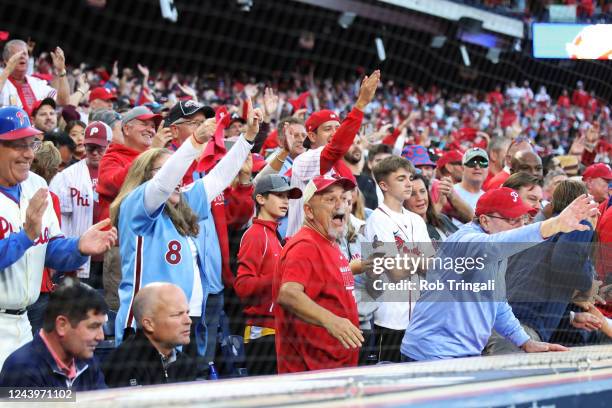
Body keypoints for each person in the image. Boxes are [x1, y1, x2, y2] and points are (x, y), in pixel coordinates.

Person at [110, 103, 259, 366]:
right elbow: (163, 183)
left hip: (188, 322)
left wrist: (247, 139)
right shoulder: (136, 207)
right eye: (169, 172)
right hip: (146, 328)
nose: (178, 179)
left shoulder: (181, 206)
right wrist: (193, 142)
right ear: (146, 177)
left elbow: (218, 179)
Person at [400, 187, 598, 361]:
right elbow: (499, 244)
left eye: (522, 218)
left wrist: (525, 342)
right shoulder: (467, 242)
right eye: (512, 219)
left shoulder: (493, 247)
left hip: (459, 354)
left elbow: (497, 304)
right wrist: (555, 225)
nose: (520, 225)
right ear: (485, 221)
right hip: (431, 354)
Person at [0, 106, 117, 368]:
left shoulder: (37, 185)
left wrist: (78, 247)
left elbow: (50, 250)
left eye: (31, 144)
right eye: (17, 145)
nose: (29, 154)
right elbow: (27, 240)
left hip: (26, 322)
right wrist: (26, 235)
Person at [486, 180, 600, 355]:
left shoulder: (534, 232)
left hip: (493, 326)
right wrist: (588, 284)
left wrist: (571, 316)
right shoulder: (579, 226)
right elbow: (564, 263)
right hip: (521, 333)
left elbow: (531, 288)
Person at [274, 175, 363, 373]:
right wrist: (332, 321)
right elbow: (288, 294)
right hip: (311, 374)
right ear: (309, 211)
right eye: (330, 199)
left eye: (344, 199)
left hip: (334, 367)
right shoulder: (305, 245)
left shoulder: (328, 243)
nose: (341, 205)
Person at [286, 70, 380, 237]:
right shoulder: (304, 160)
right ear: (312, 136)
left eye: (338, 128)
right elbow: (336, 148)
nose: (335, 133)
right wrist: (360, 104)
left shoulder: (342, 169)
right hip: (302, 245)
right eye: (328, 129)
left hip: (332, 246)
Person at [364, 156, 435, 362]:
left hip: (419, 317)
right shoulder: (377, 220)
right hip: (389, 318)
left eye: (409, 178)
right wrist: (418, 261)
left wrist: (408, 261)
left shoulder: (416, 219)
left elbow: (432, 266)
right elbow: (394, 272)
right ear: (384, 185)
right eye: (401, 178)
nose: (408, 183)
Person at [97, 105, 165, 310]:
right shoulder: (111, 157)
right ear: (126, 129)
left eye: (153, 126)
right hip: (122, 248)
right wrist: (150, 156)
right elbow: (114, 184)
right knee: (121, 312)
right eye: (144, 123)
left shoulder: (158, 158)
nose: (151, 129)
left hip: (154, 244)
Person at [235, 174, 302, 376]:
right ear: (261, 199)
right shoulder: (255, 234)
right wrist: (281, 277)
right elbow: (242, 286)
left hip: (278, 329)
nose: (285, 201)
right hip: (261, 332)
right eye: (279, 195)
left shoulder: (274, 234)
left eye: (287, 197)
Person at [0, 279, 108, 390]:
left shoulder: (87, 361)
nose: (101, 336)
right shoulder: (22, 369)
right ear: (62, 325)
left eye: (102, 327)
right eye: (93, 327)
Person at [50, 122, 111, 289]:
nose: (95, 152)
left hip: (110, 256)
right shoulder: (67, 177)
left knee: (107, 309)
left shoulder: (119, 173)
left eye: (100, 148)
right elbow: (58, 221)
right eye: (90, 147)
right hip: (80, 255)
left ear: (109, 146)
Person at [102, 283, 197, 387]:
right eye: (176, 315)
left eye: (187, 313)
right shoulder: (123, 365)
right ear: (149, 324)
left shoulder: (185, 363)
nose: (188, 321)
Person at [0, 39, 69, 111]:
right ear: (6, 60)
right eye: (17, 54)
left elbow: (63, 101)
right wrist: (8, 68)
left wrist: (61, 71)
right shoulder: (2, 81)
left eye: (25, 54)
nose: (22, 56)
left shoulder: (37, 83)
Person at [405, 173, 458, 246]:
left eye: (422, 191)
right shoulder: (406, 232)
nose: (420, 198)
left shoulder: (442, 219)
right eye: (412, 194)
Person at [450, 147, 489, 223]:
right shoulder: (450, 192)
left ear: (488, 168)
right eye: (472, 163)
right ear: (462, 168)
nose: (477, 167)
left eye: (483, 163)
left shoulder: (488, 198)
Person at [357, 143, 392, 210]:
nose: (384, 165)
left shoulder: (397, 188)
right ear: (370, 164)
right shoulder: (362, 187)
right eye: (379, 161)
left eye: (388, 161)